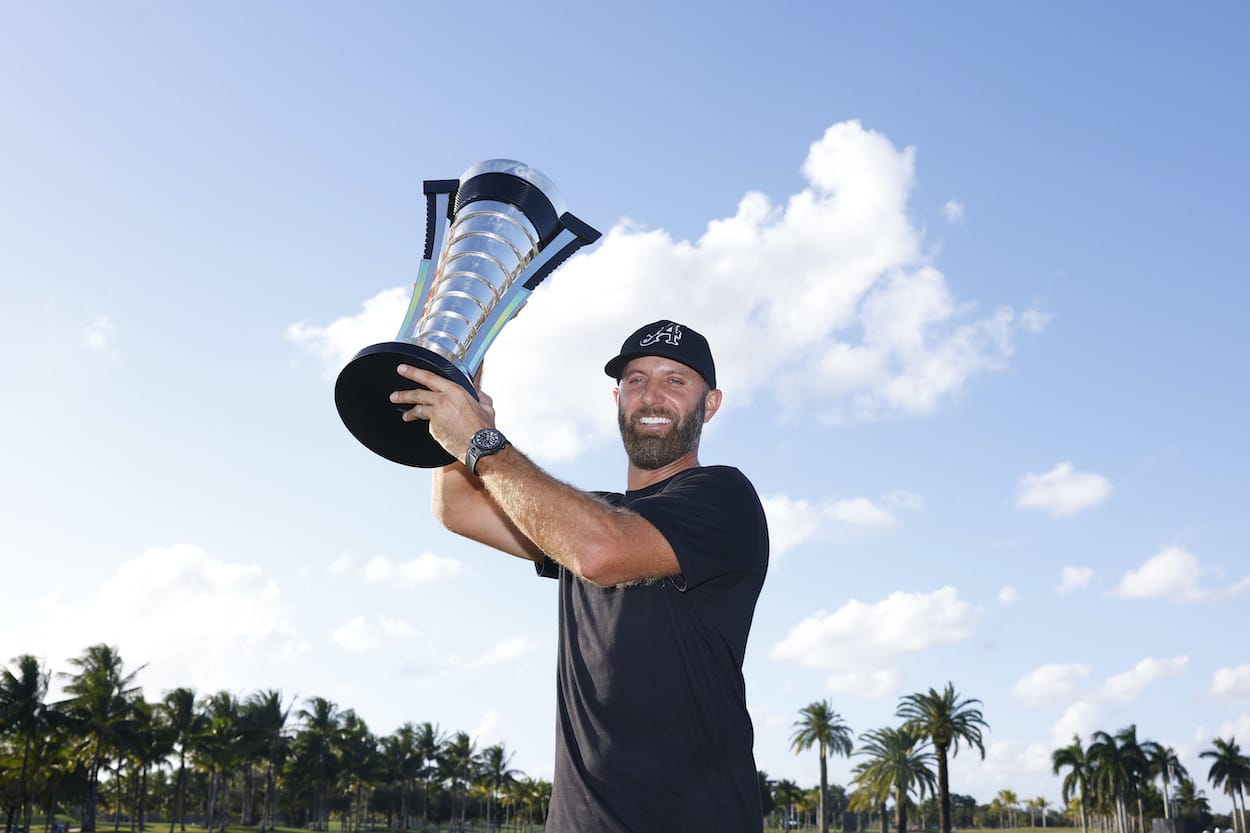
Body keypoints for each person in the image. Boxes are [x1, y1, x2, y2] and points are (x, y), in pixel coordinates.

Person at [391, 319, 769, 833]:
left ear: (710, 404)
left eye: (675, 381)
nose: (651, 396)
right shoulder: (582, 519)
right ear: (617, 397)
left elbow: (600, 552)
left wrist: (479, 441)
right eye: (636, 380)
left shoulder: (724, 499)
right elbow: (457, 508)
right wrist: (458, 388)